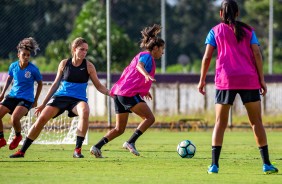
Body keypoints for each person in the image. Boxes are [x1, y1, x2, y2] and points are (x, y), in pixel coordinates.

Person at [198, 0, 278, 174]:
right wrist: (262, 79)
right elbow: (257, 53)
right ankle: (266, 164)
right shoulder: (249, 31)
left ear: (220, 14)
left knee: (220, 123)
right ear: (237, 13)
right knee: (256, 122)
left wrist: (202, 79)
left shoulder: (214, 31)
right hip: (249, 79)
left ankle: (214, 165)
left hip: (225, 80)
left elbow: (206, 58)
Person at [10, 37, 109, 158]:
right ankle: (22, 151)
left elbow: (98, 86)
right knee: (42, 118)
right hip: (61, 97)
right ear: (74, 49)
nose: (84, 52)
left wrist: (111, 93)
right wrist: (43, 104)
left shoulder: (89, 66)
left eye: (86, 50)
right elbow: (55, 84)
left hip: (77, 100)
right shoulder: (64, 63)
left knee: (85, 111)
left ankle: (77, 150)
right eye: (82, 49)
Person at [90, 24, 165, 158]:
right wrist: (146, 75)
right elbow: (139, 66)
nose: (163, 52)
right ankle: (130, 142)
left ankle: (96, 147)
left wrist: (144, 90)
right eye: (162, 49)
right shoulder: (147, 56)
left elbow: (132, 75)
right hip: (128, 94)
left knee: (119, 129)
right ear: (155, 48)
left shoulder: (141, 55)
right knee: (150, 118)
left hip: (119, 93)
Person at [0, 37, 42, 151]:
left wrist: (36, 99)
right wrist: (3, 93)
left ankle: (18, 136)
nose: (26, 57)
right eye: (24, 54)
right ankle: (1, 139)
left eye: (28, 55)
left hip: (26, 99)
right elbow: (9, 78)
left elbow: (40, 84)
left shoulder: (33, 69)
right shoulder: (13, 66)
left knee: (14, 118)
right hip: (12, 96)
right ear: (18, 54)